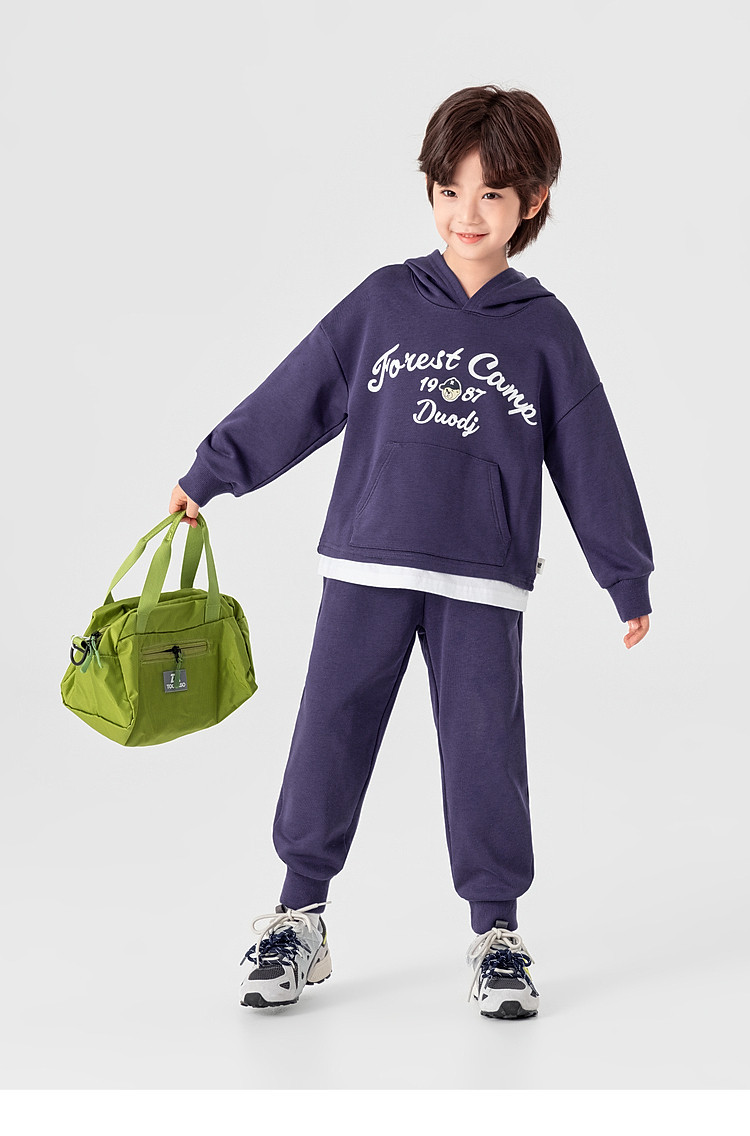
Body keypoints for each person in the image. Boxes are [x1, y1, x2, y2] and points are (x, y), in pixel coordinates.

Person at [169, 84, 654, 1020]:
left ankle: (497, 933)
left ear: (532, 202)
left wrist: (623, 572)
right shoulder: (386, 301)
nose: (467, 214)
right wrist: (214, 470)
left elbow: (590, 452)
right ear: (430, 190)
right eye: (449, 190)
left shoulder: (545, 330)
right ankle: (297, 917)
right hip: (368, 563)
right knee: (329, 733)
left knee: (484, 755)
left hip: (483, 580)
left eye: (491, 194)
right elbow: (301, 393)